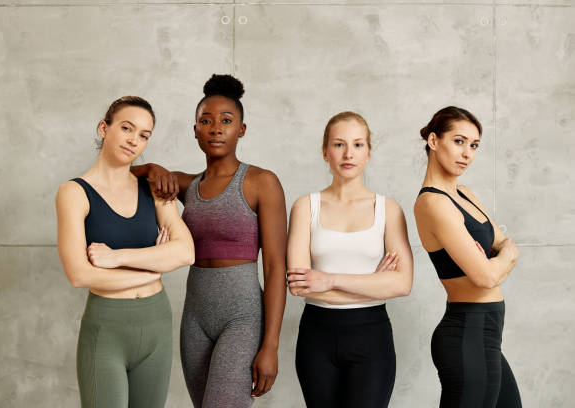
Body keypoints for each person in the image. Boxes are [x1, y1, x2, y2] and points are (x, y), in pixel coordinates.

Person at [132, 74, 287, 407]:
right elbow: (118, 175)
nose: (216, 128)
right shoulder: (187, 186)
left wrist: (271, 345)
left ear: (241, 129)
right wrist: (150, 167)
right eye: (206, 120)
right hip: (196, 318)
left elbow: (275, 267)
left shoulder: (261, 182)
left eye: (226, 121)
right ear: (196, 130)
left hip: (242, 316)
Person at [56, 96, 194, 408]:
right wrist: (154, 269)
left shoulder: (154, 189)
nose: (134, 140)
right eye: (127, 128)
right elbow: (79, 275)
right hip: (107, 328)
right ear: (104, 128)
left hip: (157, 323)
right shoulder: (74, 193)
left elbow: (186, 252)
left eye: (144, 135)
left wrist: (118, 258)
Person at [286, 111, 413, 408]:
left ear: (368, 152)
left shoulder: (388, 210)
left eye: (357, 145)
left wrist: (328, 280)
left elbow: (403, 284)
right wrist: (373, 282)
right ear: (325, 152)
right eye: (339, 144)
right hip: (316, 336)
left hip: (372, 335)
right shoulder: (306, 206)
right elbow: (299, 285)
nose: (348, 153)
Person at [413, 106, 522, 407]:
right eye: (459, 141)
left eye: (474, 145)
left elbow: (506, 245)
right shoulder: (432, 203)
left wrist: (500, 256)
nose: (467, 153)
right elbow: (485, 277)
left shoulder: (466, 194)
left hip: (485, 334)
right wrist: (502, 259)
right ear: (434, 141)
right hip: (466, 332)